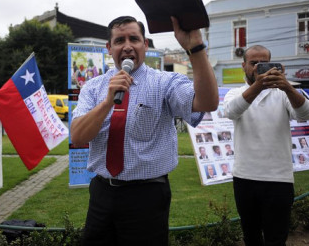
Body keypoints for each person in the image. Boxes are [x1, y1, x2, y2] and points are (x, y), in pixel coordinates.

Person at [71, 16, 218, 245]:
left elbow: (207, 102)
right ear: (109, 49)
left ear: (145, 45)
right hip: (102, 192)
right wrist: (107, 102)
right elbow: (79, 136)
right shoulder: (94, 87)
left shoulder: (165, 83)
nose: (127, 46)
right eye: (119, 40)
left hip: (147, 196)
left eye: (134, 39)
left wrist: (195, 48)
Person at [223, 45, 309, 246]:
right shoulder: (236, 92)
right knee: (251, 237)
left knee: (276, 238)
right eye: (253, 63)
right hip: (245, 177)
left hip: (279, 179)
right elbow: (231, 111)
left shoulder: (283, 92)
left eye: (263, 64)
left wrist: (288, 87)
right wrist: (258, 85)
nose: (258, 68)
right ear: (243, 66)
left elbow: (306, 114)